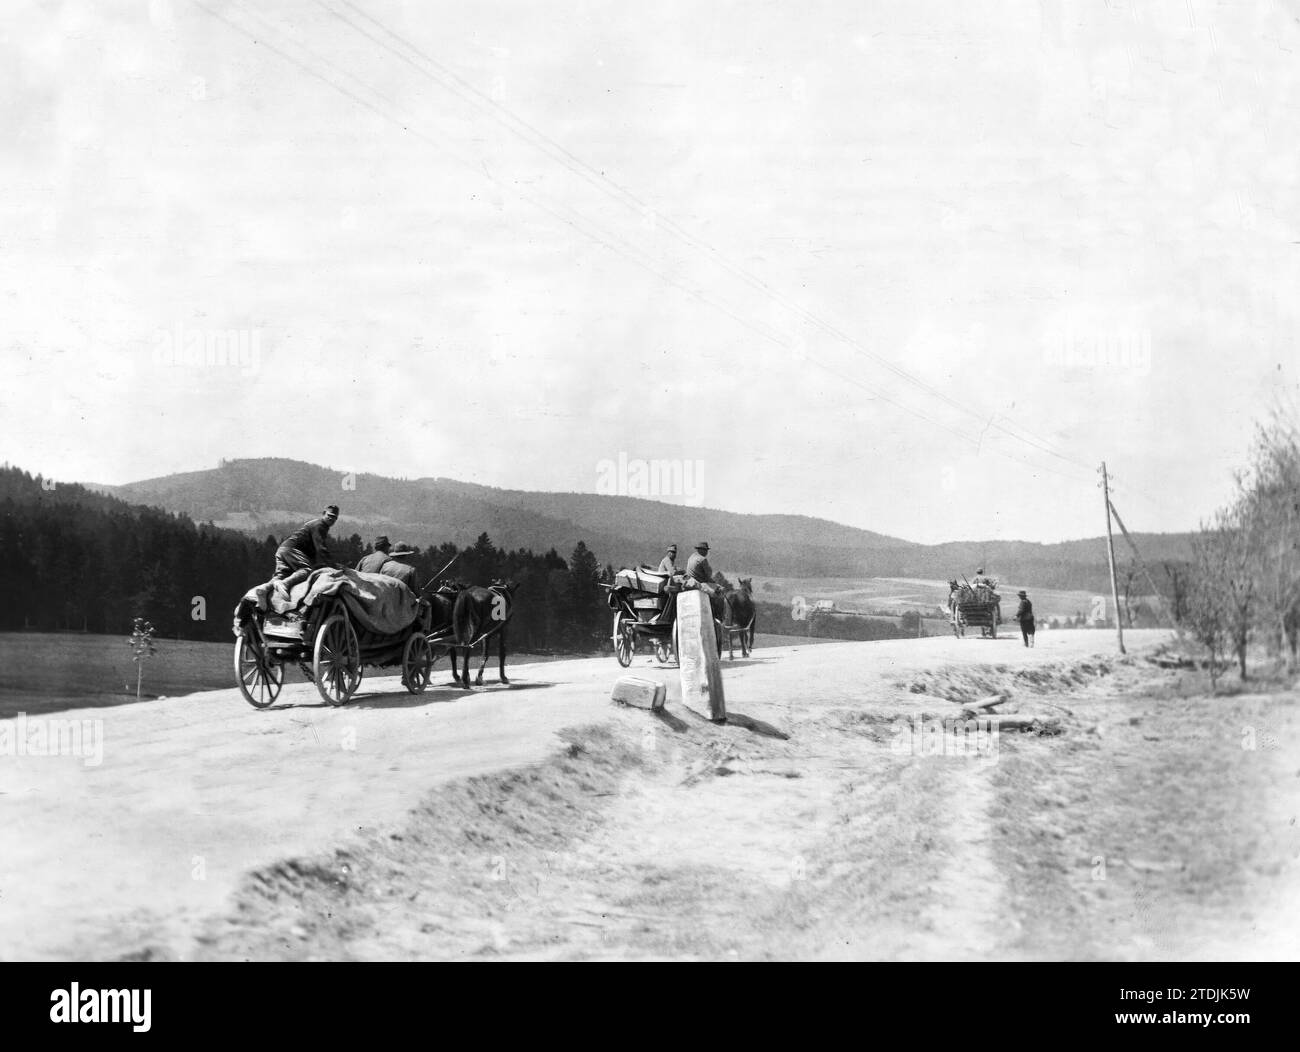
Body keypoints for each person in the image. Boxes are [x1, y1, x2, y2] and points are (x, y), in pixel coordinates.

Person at [274, 505, 340, 581]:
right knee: (306, 571)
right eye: (329, 515)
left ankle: (265, 588)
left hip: (283, 550)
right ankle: (285, 584)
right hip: (292, 550)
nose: (331, 518)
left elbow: (312, 550)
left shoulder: (317, 524)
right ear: (324, 513)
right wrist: (333, 566)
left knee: (282, 575)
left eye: (334, 517)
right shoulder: (320, 525)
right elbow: (321, 549)